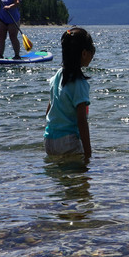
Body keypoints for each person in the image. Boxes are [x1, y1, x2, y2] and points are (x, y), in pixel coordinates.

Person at [44, 27, 95, 162]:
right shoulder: (79, 83)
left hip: (49, 139)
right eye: (92, 51)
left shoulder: (58, 75)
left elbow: (49, 109)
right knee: (80, 178)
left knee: (62, 179)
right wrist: (88, 154)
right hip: (68, 141)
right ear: (84, 53)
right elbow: (81, 121)